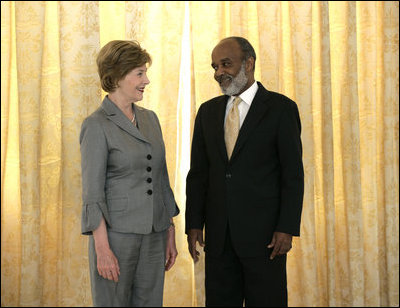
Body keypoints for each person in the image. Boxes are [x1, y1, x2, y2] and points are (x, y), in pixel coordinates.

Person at [185, 36, 304, 307]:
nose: (219, 73)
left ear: (248, 63)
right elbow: (199, 174)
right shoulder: (207, 112)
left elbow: (293, 175)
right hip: (218, 238)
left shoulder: (281, 109)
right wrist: (193, 223)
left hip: (265, 240)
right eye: (215, 67)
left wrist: (286, 228)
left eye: (226, 64)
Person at [80, 40, 179, 307]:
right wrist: (102, 249)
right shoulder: (96, 125)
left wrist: (169, 230)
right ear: (117, 76)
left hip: (155, 234)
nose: (146, 80)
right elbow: (92, 193)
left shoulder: (151, 119)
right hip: (116, 238)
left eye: (145, 72)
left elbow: (161, 179)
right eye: (139, 73)